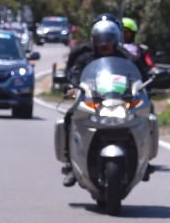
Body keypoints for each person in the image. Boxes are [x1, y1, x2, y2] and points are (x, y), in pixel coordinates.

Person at [60, 18, 154, 186]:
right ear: (94, 40)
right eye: (100, 39)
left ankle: (145, 160)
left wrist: (145, 84)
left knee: (149, 115)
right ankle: (70, 164)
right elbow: (74, 74)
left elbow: (141, 74)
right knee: (69, 117)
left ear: (115, 40)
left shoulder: (126, 57)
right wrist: (71, 87)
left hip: (120, 102)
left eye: (108, 39)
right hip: (93, 101)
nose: (104, 43)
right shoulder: (85, 57)